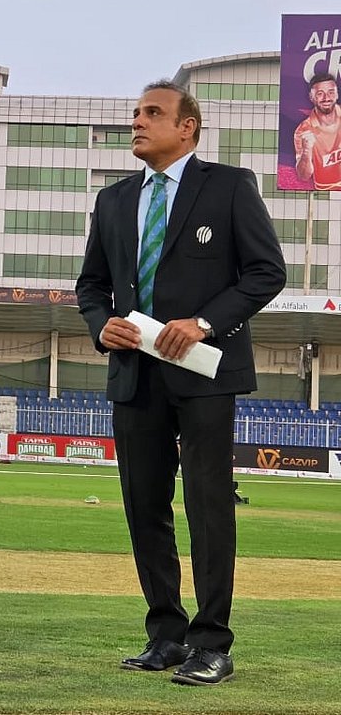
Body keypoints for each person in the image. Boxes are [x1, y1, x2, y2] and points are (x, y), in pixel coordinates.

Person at [76, 80, 285, 686]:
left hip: (206, 375)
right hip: (135, 376)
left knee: (208, 507)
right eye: (136, 113)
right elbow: (91, 286)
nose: (138, 122)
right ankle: (165, 635)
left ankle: (212, 642)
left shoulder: (228, 186)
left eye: (152, 113)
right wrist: (101, 325)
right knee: (145, 508)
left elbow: (266, 272)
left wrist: (204, 323)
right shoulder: (113, 200)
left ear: (187, 127)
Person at [292, 72, 341, 189]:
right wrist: (306, 151)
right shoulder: (303, 130)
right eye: (320, 94)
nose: (326, 98)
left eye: (331, 92)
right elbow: (303, 176)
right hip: (324, 189)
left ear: (337, 94)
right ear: (311, 97)